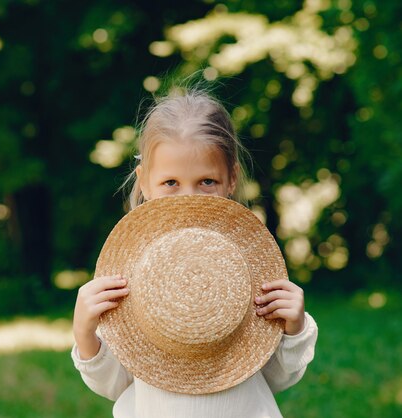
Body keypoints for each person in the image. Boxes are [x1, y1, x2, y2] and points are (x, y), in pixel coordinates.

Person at [72, 88, 318, 417]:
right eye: (171, 183)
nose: (189, 198)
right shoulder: (128, 273)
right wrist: (85, 333)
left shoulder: (249, 268)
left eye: (206, 182)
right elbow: (114, 384)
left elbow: (277, 376)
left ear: (231, 178)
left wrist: (293, 328)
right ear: (144, 181)